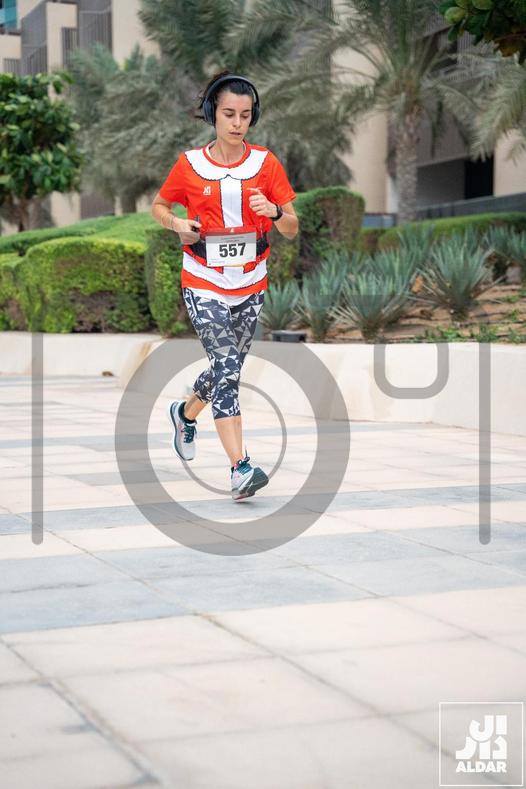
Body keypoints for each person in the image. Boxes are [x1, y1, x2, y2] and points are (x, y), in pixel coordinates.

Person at [151, 71, 299, 501]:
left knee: (224, 367)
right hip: (203, 279)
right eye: (229, 114)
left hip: (251, 281)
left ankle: (185, 413)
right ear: (212, 114)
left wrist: (274, 211)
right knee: (229, 368)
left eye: (245, 115)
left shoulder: (266, 164)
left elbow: (291, 227)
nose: (237, 123)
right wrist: (177, 224)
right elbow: (159, 206)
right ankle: (240, 467)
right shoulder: (189, 165)